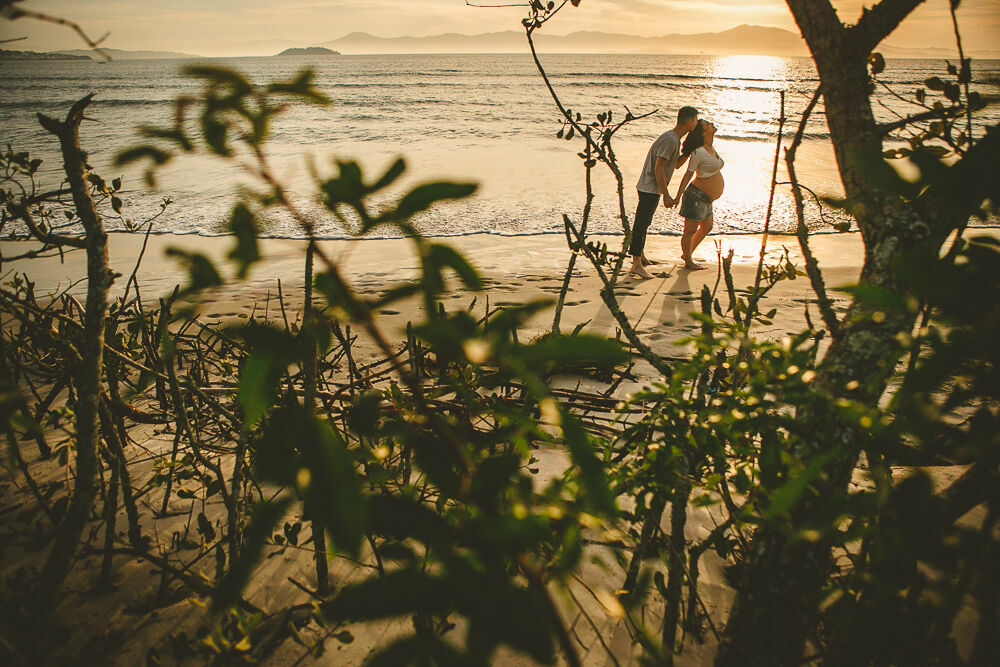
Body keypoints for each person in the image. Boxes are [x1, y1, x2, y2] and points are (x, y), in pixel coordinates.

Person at [630, 106, 699, 279]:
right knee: (641, 224)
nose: (696, 124)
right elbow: (659, 168)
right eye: (696, 121)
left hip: (652, 187)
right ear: (690, 122)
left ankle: (641, 256)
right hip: (649, 187)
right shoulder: (670, 139)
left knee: (644, 223)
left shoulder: (674, 139)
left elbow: (675, 165)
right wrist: (666, 194)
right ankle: (636, 264)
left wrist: (689, 151)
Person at [675, 119, 724, 270]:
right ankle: (688, 261)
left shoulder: (711, 148)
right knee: (690, 230)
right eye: (708, 125)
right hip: (696, 196)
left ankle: (687, 254)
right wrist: (677, 196)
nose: (712, 124)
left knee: (707, 227)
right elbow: (688, 174)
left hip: (706, 198)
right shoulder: (698, 152)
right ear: (703, 132)